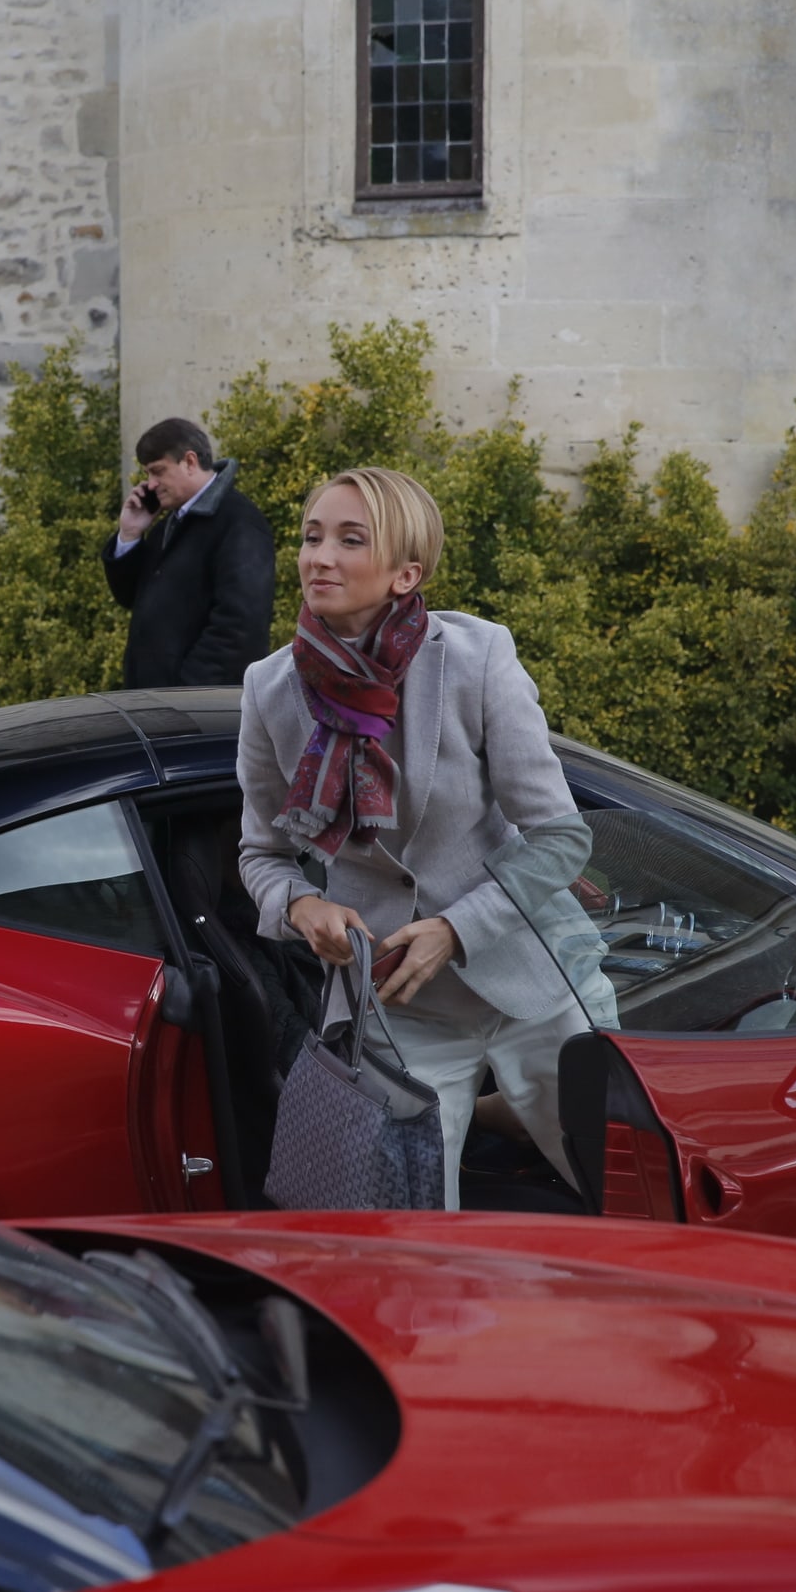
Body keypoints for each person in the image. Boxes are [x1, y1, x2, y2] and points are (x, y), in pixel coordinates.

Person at [235, 467, 585, 1211]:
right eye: (312, 537)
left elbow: (560, 839)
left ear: (406, 574)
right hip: (396, 1011)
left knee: (629, 1192)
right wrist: (301, 907)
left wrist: (456, 931)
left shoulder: (476, 657)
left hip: (534, 985)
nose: (319, 557)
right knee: (408, 1229)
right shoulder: (269, 688)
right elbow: (261, 854)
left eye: (349, 540)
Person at [101, 417, 276, 688]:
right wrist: (130, 534)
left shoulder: (239, 522)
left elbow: (240, 628)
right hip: (157, 701)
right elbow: (130, 596)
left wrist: (186, 693)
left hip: (192, 706)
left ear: (190, 462)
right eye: (148, 474)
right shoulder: (169, 525)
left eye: (158, 471)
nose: (150, 484)